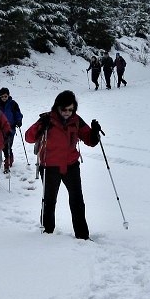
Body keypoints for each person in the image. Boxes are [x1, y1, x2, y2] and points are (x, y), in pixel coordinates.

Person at [24, 90, 101, 240]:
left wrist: (94, 133)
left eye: (70, 109)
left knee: (77, 200)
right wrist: (40, 127)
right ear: (57, 107)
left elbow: (90, 141)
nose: (67, 112)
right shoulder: (47, 119)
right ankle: (47, 233)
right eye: (64, 109)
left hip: (71, 166)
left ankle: (82, 236)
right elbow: (29, 137)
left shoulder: (76, 120)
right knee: (49, 200)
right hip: (49, 166)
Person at [0, 87, 23, 173]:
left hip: (11, 127)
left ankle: (8, 162)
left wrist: (19, 121)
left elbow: (18, 113)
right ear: (0, 96)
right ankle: (9, 157)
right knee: (3, 145)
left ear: (8, 95)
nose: (4, 98)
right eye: (2, 96)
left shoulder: (13, 104)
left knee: (8, 144)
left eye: (5, 96)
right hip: (1, 128)